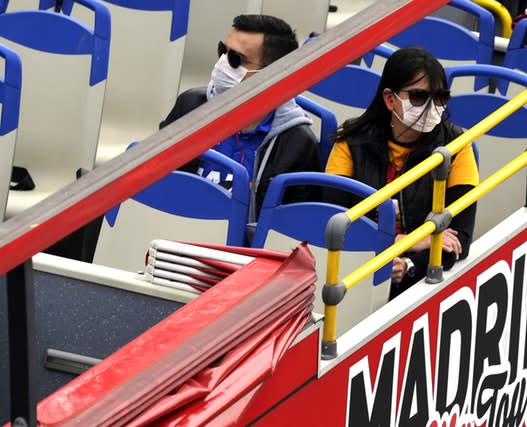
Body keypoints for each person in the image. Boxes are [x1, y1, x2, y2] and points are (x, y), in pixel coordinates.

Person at [324, 47, 479, 299]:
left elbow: (459, 237)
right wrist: (408, 241)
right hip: (356, 269)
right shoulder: (350, 142)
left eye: (440, 97)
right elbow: (333, 223)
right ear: (389, 99)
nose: (431, 106)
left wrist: (408, 265)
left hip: (421, 282)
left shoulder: (457, 146)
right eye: (418, 96)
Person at [160, 14, 321, 221]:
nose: (222, 64)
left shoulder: (297, 143)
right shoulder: (190, 107)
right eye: (222, 52)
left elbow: (291, 229)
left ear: (273, 74)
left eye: (236, 60)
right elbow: (156, 184)